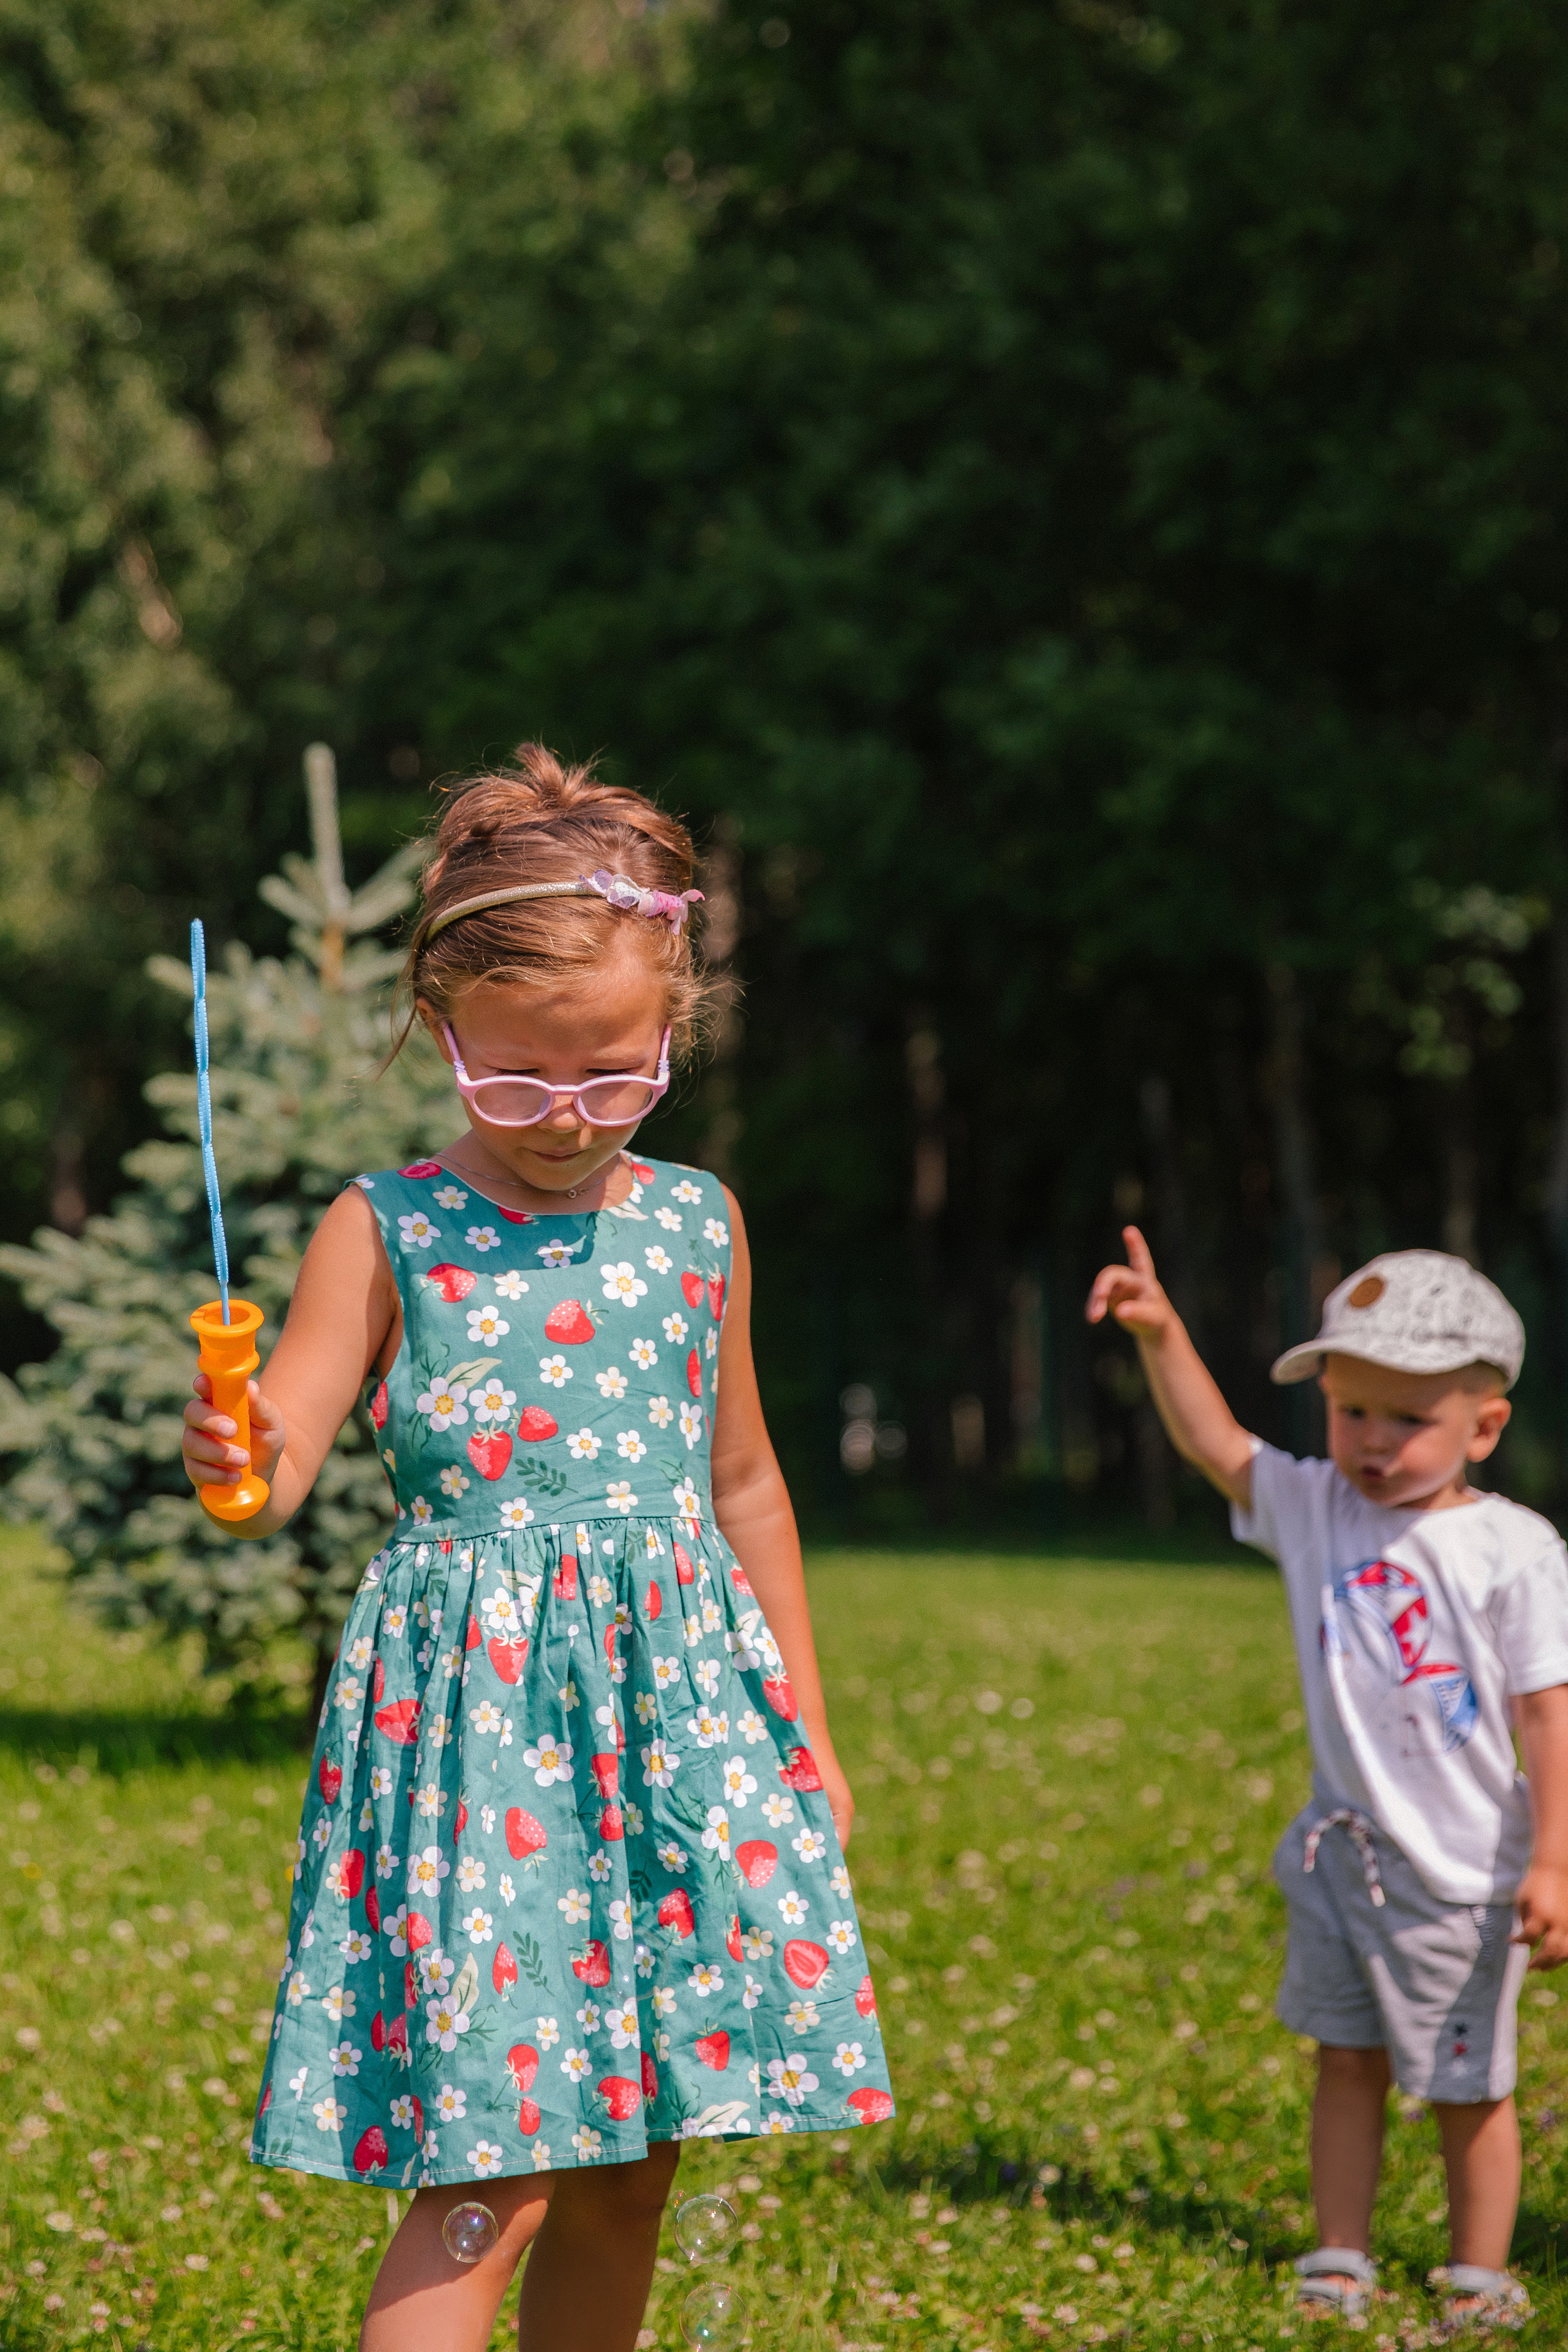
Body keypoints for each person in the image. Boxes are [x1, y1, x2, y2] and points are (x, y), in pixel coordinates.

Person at [183, 745, 894, 2352]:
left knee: (636, 2165)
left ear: (673, 1032)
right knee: (488, 2175)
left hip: (678, 1741)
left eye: (612, 1076)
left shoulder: (700, 1223)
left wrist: (807, 1735)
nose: (565, 1117)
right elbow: (278, 1460)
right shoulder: (386, 1227)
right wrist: (236, 1454)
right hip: (481, 1753)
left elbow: (747, 1488)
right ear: (442, 1031)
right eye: (517, 1080)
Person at [1087, 1232, 1568, 2336]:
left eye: (1411, 1418)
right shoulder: (1318, 1510)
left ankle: (1478, 2273)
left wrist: (1554, 1857)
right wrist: (1161, 1334)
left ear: (1484, 1426)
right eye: (1353, 1411)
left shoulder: (1516, 1550)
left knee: (1468, 2087)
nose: (1375, 1440)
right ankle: (1339, 2254)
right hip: (1339, 1860)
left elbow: (1550, 1715)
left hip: (1462, 1880)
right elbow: (1219, 1446)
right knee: (1345, 2061)